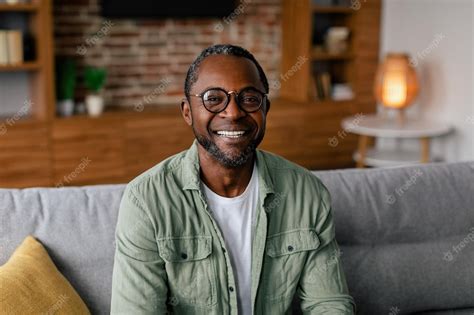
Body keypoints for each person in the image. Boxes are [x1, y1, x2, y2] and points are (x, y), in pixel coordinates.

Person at [111, 44, 355, 314]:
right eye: (213, 99)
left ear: (265, 109)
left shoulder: (307, 192)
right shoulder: (146, 201)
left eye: (249, 99)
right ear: (187, 111)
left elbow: (329, 303)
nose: (234, 112)